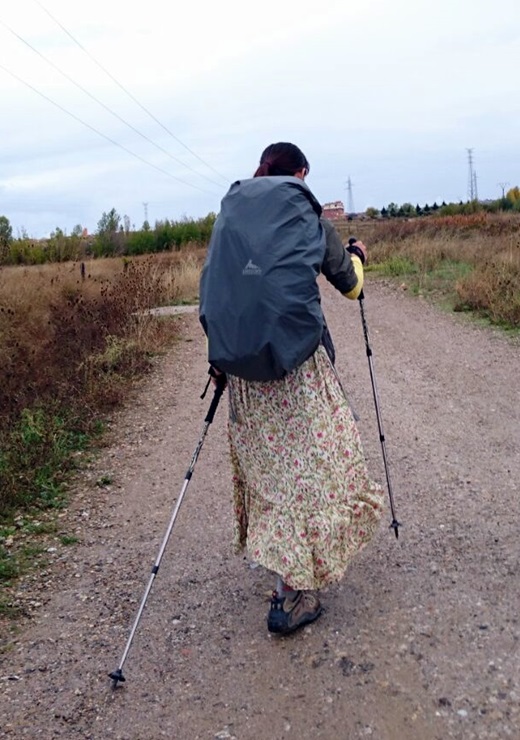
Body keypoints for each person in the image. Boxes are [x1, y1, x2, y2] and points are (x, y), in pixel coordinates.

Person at [202, 142, 384, 635]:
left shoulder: (230, 219)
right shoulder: (311, 216)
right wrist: (357, 256)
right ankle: (292, 594)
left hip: (243, 373)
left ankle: (284, 570)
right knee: (316, 472)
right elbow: (351, 286)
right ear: (301, 173)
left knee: (273, 474)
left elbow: (218, 287)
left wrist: (219, 355)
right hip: (298, 369)